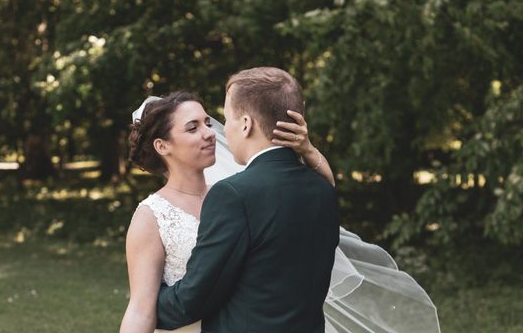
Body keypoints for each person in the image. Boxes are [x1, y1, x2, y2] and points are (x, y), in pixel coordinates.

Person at [121, 68, 441, 333]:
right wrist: (311, 153)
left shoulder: (232, 195)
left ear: (245, 124)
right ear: (163, 146)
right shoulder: (316, 188)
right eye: (194, 127)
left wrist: (151, 301)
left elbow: (195, 296)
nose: (212, 132)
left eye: (214, 121)